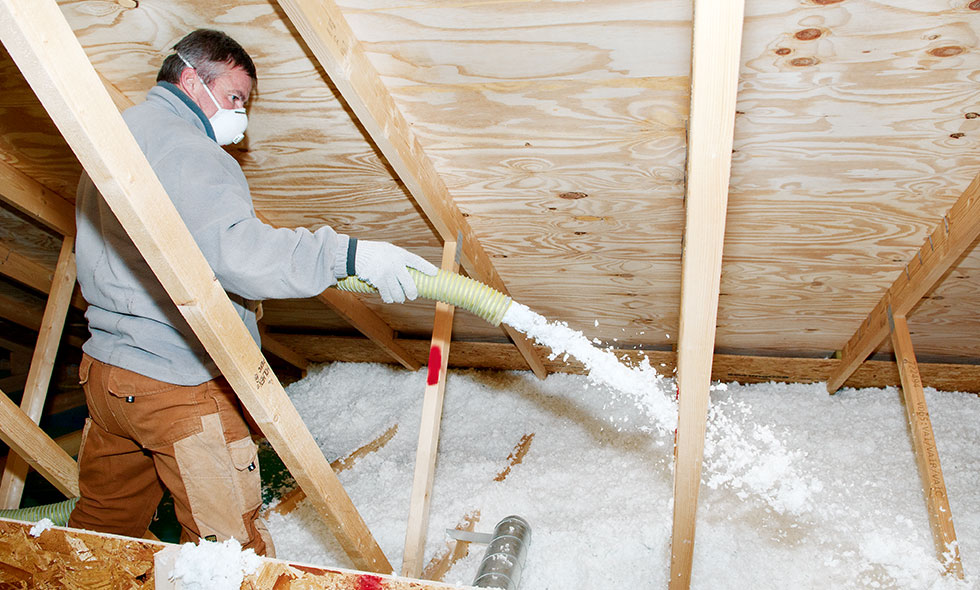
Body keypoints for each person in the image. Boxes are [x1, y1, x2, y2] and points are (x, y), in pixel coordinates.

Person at [66, 29, 437, 556]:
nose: (239, 115)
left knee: (102, 529)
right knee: (227, 556)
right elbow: (240, 255)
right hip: (177, 384)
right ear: (192, 80)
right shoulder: (189, 150)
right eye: (235, 97)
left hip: (107, 374)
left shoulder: (118, 132)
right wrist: (347, 255)